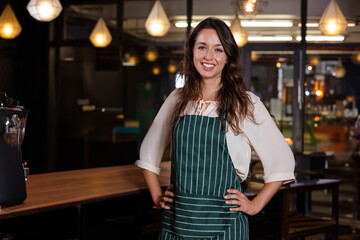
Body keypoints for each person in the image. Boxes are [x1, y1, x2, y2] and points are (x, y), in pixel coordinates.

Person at [135, 17, 295, 239]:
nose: (208, 56)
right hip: (177, 223)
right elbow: (148, 154)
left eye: (218, 49)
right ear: (192, 52)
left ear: (228, 57)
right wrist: (156, 196)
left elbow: (283, 160)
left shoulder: (245, 103)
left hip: (225, 225)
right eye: (202, 47)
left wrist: (255, 205)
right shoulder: (177, 99)